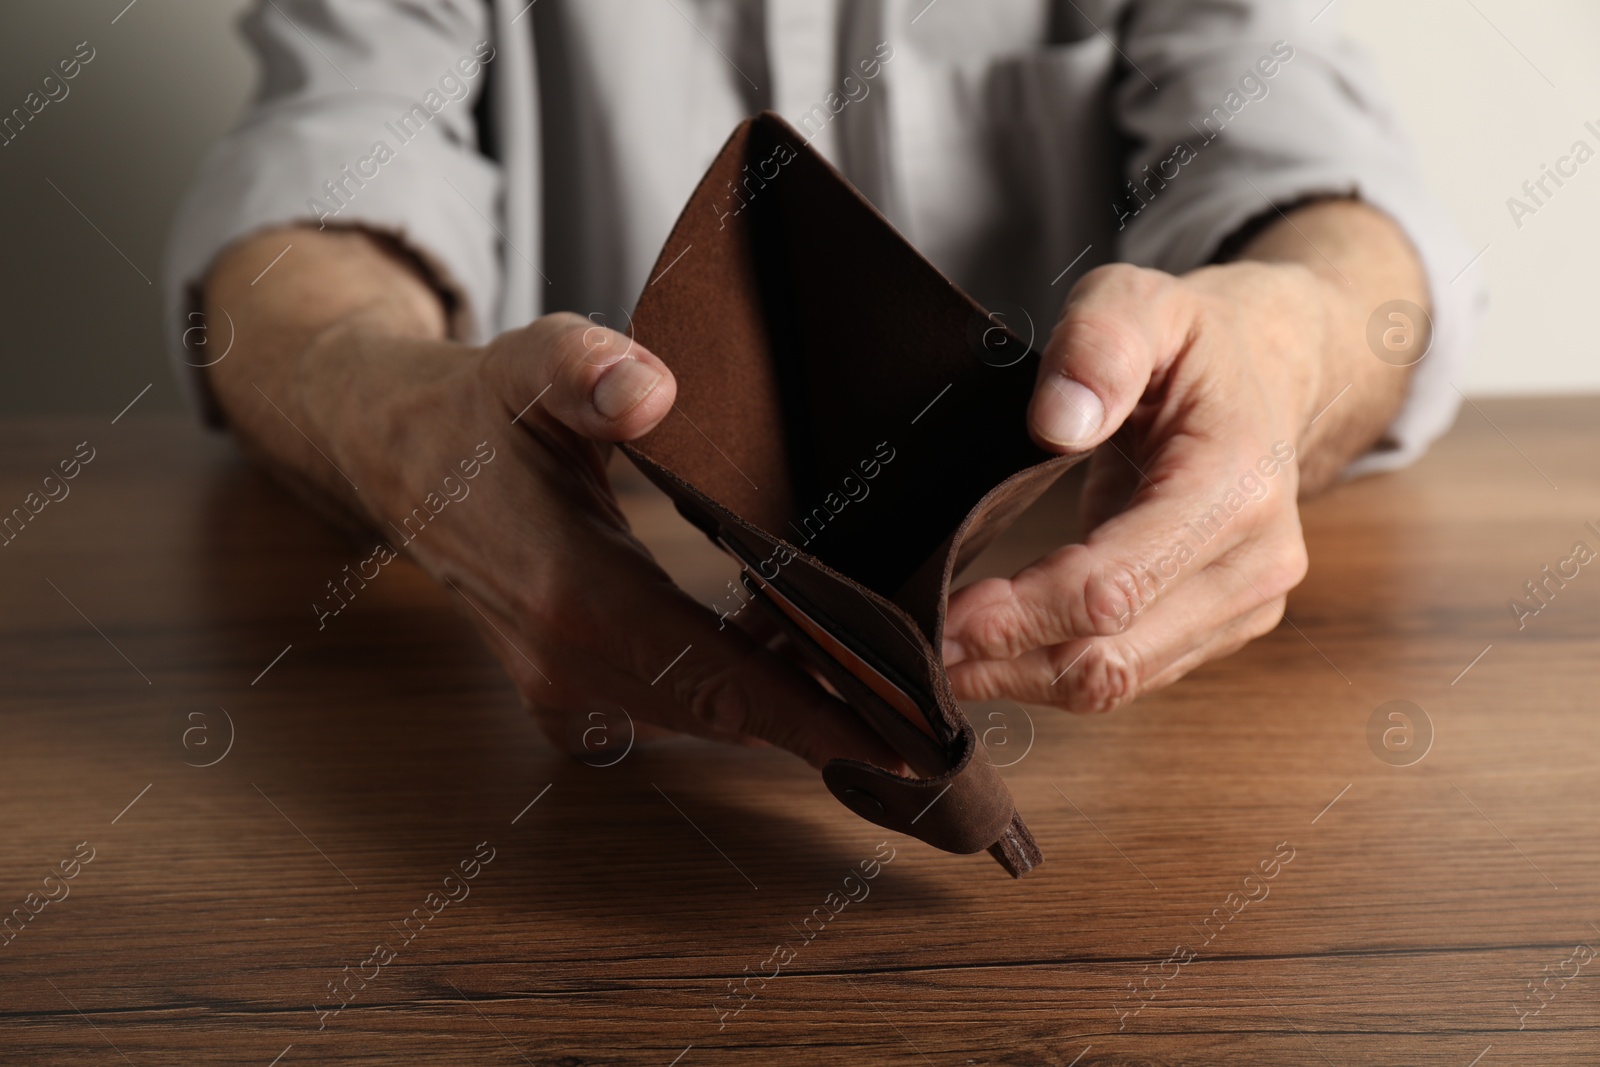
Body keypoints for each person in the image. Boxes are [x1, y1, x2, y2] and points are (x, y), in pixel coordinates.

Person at [165, 0, 1482, 771]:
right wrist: (387, 405)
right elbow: (318, 169)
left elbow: (1322, 179)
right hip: (587, 736)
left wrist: (1288, 343)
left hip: (1114, 737)